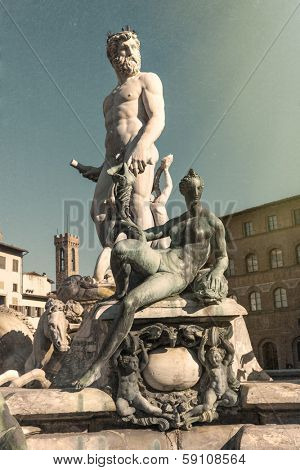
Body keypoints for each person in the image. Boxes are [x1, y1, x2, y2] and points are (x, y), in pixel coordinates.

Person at [74, 169, 229, 389]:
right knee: (121, 248)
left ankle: (96, 366)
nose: (194, 192)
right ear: (183, 193)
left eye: (197, 188)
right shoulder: (177, 221)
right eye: (189, 189)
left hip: (177, 273)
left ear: (201, 191)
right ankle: (120, 290)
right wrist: (124, 215)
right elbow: (147, 235)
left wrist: (216, 271)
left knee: (131, 303)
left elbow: (223, 257)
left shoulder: (213, 222)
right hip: (160, 258)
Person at [90, 27, 165, 267]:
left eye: (135, 47)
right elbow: (113, 137)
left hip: (138, 151)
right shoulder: (108, 99)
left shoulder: (147, 79)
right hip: (112, 161)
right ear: (114, 57)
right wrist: (99, 167)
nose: (132, 52)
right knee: (99, 211)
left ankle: (146, 262)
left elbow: (157, 118)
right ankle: (116, 260)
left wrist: (143, 145)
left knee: (137, 204)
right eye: (125, 48)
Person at [150, 154, 173, 249]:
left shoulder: (158, 201)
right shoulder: (155, 202)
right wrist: (164, 168)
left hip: (163, 241)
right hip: (158, 240)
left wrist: (164, 169)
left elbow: (166, 186)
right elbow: (159, 184)